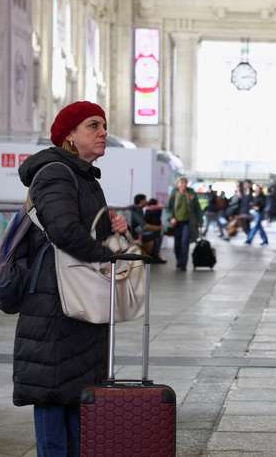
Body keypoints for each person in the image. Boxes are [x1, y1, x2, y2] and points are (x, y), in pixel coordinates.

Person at [15, 101, 128, 457]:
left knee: (76, 393)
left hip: (75, 298)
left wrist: (112, 229)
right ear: (69, 135)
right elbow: (64, 230)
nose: (102, 132)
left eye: (103, 125)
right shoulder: (54, 172)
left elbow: (81, 229)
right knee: (53, 392)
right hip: (55, 301)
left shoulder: (80, 175)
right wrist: (107, 255)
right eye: (92, 125)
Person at [167, 177, 202, 271]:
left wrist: (200, 221)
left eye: (185, 183)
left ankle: (183, 264)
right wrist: (171, 218)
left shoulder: (191, 193)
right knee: (177, 244)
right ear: (177, 184)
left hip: (188, 222)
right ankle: (179, 260)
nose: (183, 184)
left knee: (185, 242)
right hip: (177, 223)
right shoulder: (174, 193)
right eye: (181, 182)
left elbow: (197, 208)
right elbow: (168, 208)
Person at [130, 194, 166, 264]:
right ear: (141, 201)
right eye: (145, 200)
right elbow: (145, 227)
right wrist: (158, 228)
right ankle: (155, 257)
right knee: (158, 233)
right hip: (136, 236)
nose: (147, 201)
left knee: (157, 234)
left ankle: (155, 256)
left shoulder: (139, 210)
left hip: (139, 233)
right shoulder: (136, 211)